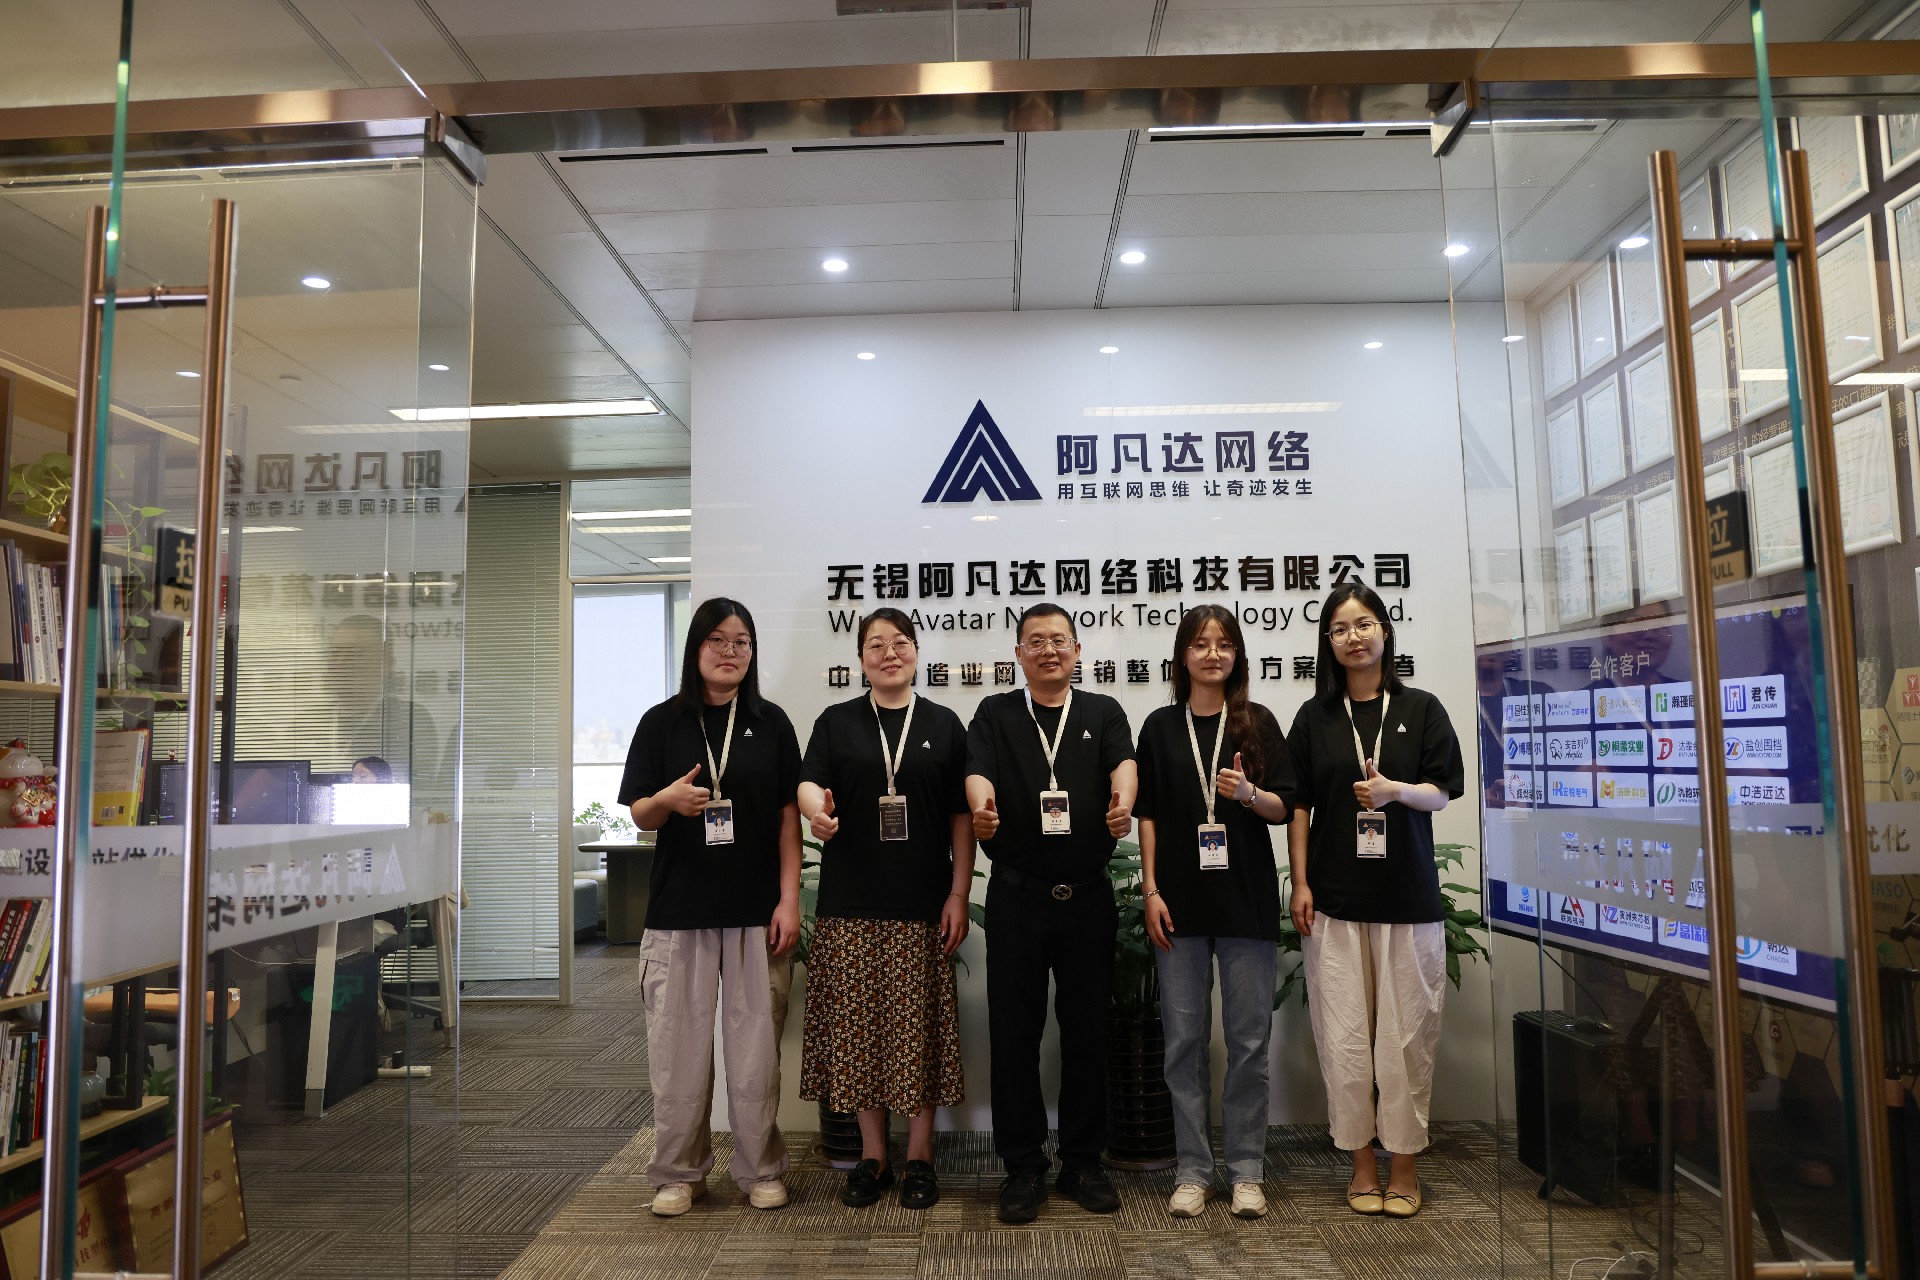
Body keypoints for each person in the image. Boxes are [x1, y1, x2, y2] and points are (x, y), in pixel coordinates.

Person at [617, 598, 803, 1218]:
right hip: (679, 913)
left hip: (756, 912)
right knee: (677, 1054)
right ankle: (679, 1174)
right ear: (696, 647)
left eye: (742, 641)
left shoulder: (772, 723)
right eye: (718, 640)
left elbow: (787, 819)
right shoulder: (661, 722)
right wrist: (666, 800)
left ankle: (760, 1169)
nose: (730, 651)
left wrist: (789, 900)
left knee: (755, 1057)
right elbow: (640, 814)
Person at [1286, 582, 1464, 1220]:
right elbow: (1299, 806)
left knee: (1406, 1041)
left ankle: (1405, 1164)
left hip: (1407, 900)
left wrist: (1395, 792)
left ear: (1385, 631)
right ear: (1328, 643)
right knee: (1345, 1041)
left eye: (1363, 624)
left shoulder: (1422, 707)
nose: (1353, 637)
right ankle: (1362, 1164)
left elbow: (1443, 791)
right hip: (1335, 901)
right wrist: (1300, 883)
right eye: (1339, 629)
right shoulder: (1315, 717)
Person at [796, 608, 975, 1211]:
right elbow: (809, 783)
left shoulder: (944, 724)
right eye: (876, 644)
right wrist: (815, 812)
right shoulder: (837, 721)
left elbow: (960, 817)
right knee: (859, 1035)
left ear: (917, 652)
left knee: (917, 1034)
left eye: (900, 642)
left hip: (922, 905)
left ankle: (920, 1155)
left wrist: (958, 893)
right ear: (861, 659)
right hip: (850, 904)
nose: (889, 653)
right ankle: (873, 1157)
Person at [965, 602, 1137, 1223]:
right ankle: (1022, 1166)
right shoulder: (996, 713)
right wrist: (982, 810)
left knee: (1087, 1030)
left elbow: (1124, 765)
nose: (1048, 650)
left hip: (1087, 898)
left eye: (1059, 640)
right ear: (1019, 654)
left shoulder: (1102, 711)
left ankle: (1083, 1161)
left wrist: (1122, 805)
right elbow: (978, 774)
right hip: (1018, 898)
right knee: (1014, 1032)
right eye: (1035, 641)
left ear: (1077, 650)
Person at [1136, 605, 1295, 1220]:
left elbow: (1284, 808)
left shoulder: (1257, 722)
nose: (1212, 654)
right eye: (1200, 643)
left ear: (1238, 655)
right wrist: (1151, 890)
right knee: (1184, 1043)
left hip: (1245, 904)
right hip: (1178, 906)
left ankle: (1247, 1170)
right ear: (1183, 655)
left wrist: (1249, 795)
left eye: (1224, 643)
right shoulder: (1159, 727)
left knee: (1250, 1041)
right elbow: (1148, 815)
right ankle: (1194, 1170)